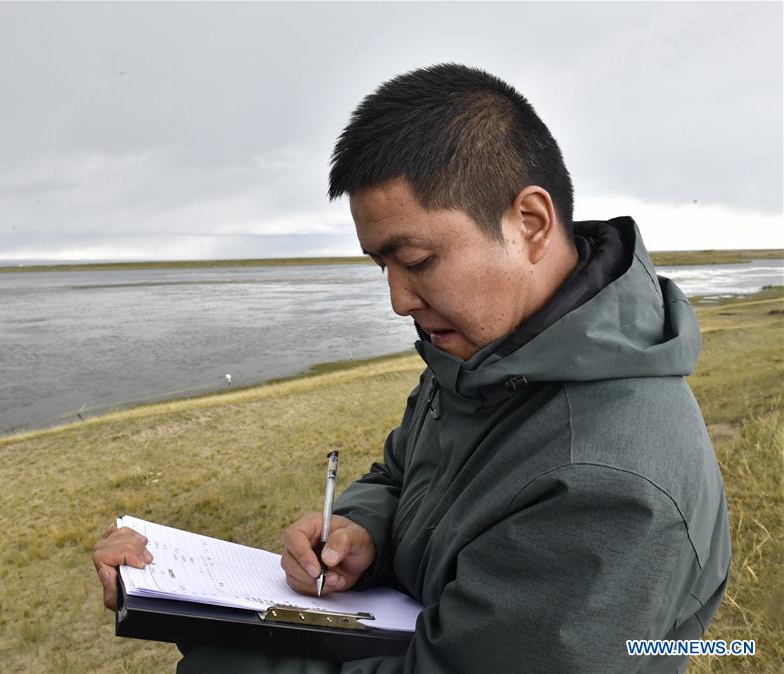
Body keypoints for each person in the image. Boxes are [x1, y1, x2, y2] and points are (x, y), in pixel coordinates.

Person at [93, 64, 731, 673]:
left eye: (418, 260)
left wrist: (208, 640)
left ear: (529, 223)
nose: (398, 300)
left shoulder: (607, 489)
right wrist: (359, 530)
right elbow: (402, 470)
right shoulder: (489, 356)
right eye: (382, 267)